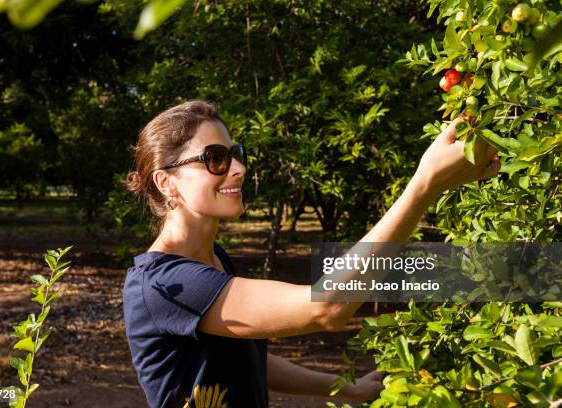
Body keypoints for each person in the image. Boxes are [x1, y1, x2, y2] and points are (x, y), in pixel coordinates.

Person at [122, 100, 500, 407]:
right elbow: (326, 307)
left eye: (236, 154)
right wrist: (423, 186)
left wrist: (345, 387)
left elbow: (245, 359)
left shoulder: (214, 259)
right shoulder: (165, 285)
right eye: (215, 158)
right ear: (166, 182)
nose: (238, 168)